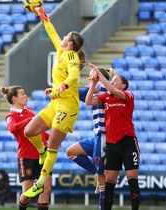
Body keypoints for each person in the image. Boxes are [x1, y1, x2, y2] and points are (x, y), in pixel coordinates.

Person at [23, 6, 86, 198]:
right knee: (29, 131)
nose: (63, 37)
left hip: (68, 106)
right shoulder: (61, 49)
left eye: (66, 36)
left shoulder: (72, 57)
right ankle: (41, 152)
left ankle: (40, 183)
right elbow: (52, 33)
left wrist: (62, 87)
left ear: (71, 43)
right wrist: (43, 16)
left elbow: (74, 76)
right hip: (56, 102)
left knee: (53, 144)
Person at [85, 64, 140, 210]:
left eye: (116, 80)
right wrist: (94, 83)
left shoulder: (128, 95)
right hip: (112, 144)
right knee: (109, 183)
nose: (113, 81)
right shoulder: (106, 97)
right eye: (112, 80)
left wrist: (99, 73)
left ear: (123, 85)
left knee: (132, 180)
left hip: (128, 141)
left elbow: (112, 89)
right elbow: (88, 101)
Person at [65, 67, 115, 210]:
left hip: (104, 136)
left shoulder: (107, 91)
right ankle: (95, 171)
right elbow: (72, 92)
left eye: (92, 75)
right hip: (96, 137)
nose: (89, 77)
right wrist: (56, 91)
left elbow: (80, 94)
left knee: (102, 178)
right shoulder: (93, 90)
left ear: (99, 78)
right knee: (71, 152)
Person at [0, 86, 52, 210]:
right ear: (14, 98)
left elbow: (38, 130)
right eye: (22, 94)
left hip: (43, 154)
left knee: (46, 189)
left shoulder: (29, 112)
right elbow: (13, 128)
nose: (25, 96)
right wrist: (30, 120)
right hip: (26, 157)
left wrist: (51, 138)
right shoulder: (10, 116)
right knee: (27, 192)